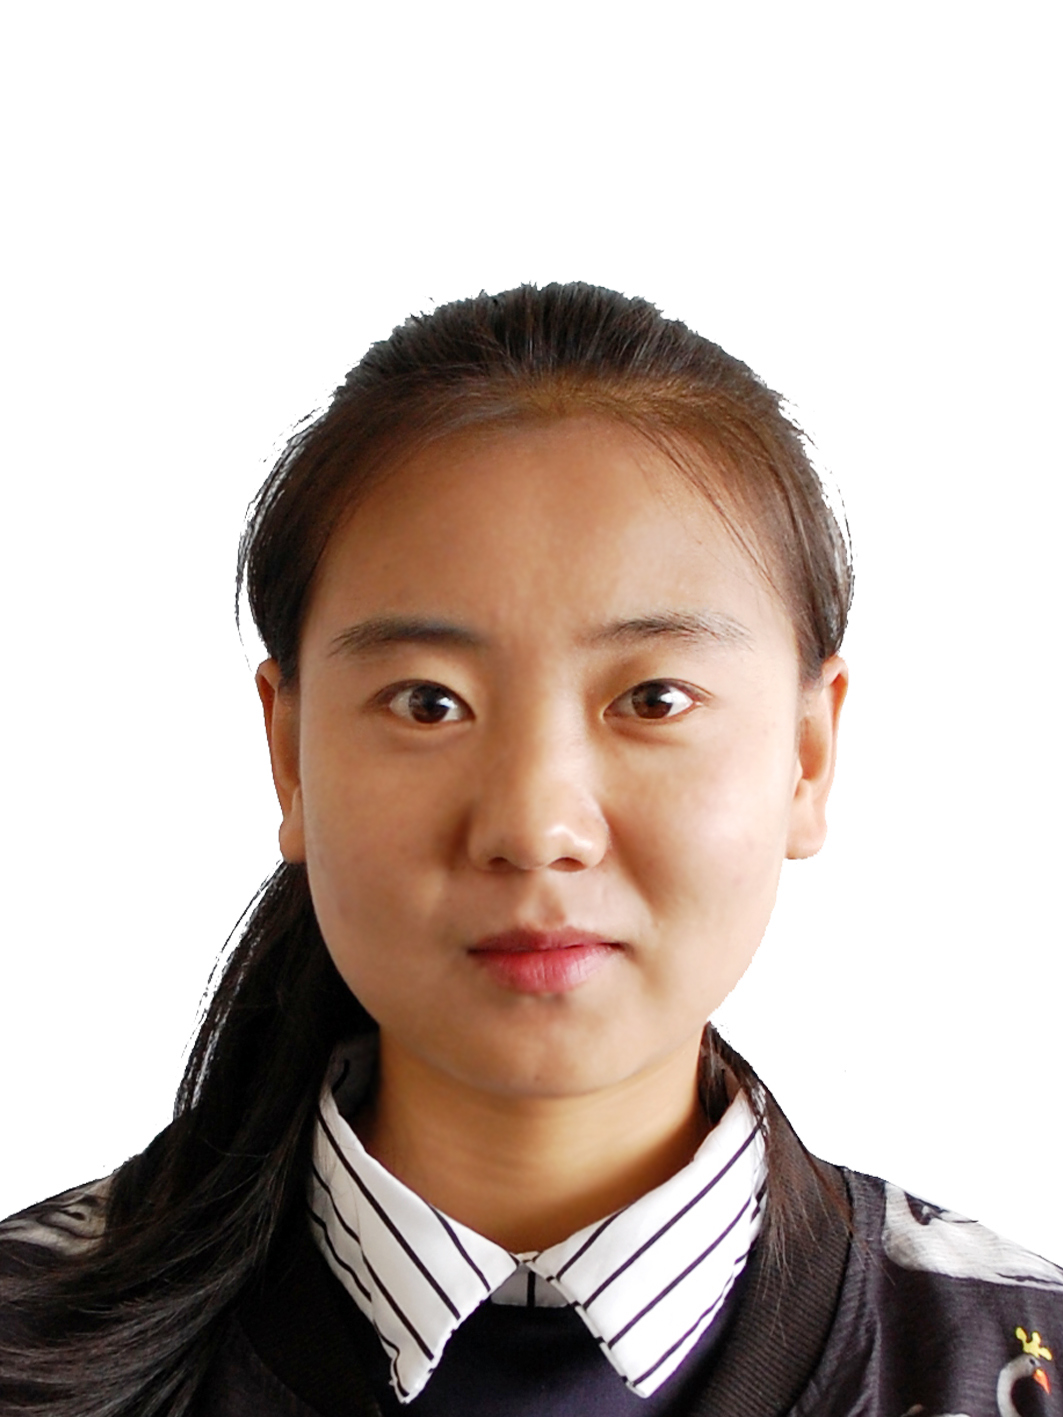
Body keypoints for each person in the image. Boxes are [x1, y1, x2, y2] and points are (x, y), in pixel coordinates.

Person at [1, 282, 1060, 1417]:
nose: (535, 829)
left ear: (807, 753)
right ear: (289, 751)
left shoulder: (1012, 1364)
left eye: (652, 699)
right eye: (428, 702)